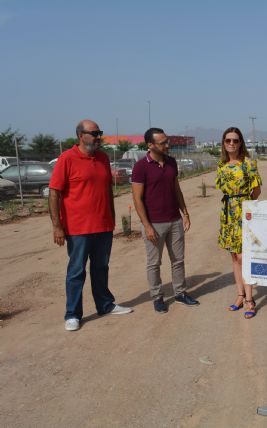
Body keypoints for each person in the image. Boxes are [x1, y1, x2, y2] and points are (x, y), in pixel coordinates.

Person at [49, 119, 132, 331]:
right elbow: (54, 193)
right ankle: (73, 314)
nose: (98, 137)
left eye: (99, 133)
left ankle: (105, 305)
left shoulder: (103, 158)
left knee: (101, 268)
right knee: (76, 271)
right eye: (94, 133)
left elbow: (107, 192)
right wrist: (57, 226)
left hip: (103, 226)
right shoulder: (67, 159)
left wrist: (112, 219)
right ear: (80, 135)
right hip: (78, 229)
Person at [131, 127, 199, 314]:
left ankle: (180, 293)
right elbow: (137, 199)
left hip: (174, 220)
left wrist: (185, 213)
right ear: (150, 145)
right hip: (154, 224)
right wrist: (147, 226)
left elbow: (176, 189)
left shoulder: (171, 163)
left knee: (178, 260)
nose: (167, 145)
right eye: (163, 143)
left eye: (167, 141)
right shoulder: (140, 167)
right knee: (154, 263)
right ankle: (157, 297)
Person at [216, 127, 262, 319]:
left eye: (235, 140)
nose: (232, 144)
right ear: (224, 143)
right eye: (228, 140)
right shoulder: (222, 165)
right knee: (235, 257)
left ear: (241, 142)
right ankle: (240, 295)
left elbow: (257, 191)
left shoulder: (249, 164)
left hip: (244, 213)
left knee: (245, 257)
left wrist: (245, 208)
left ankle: (250, 300)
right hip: (228, 214)